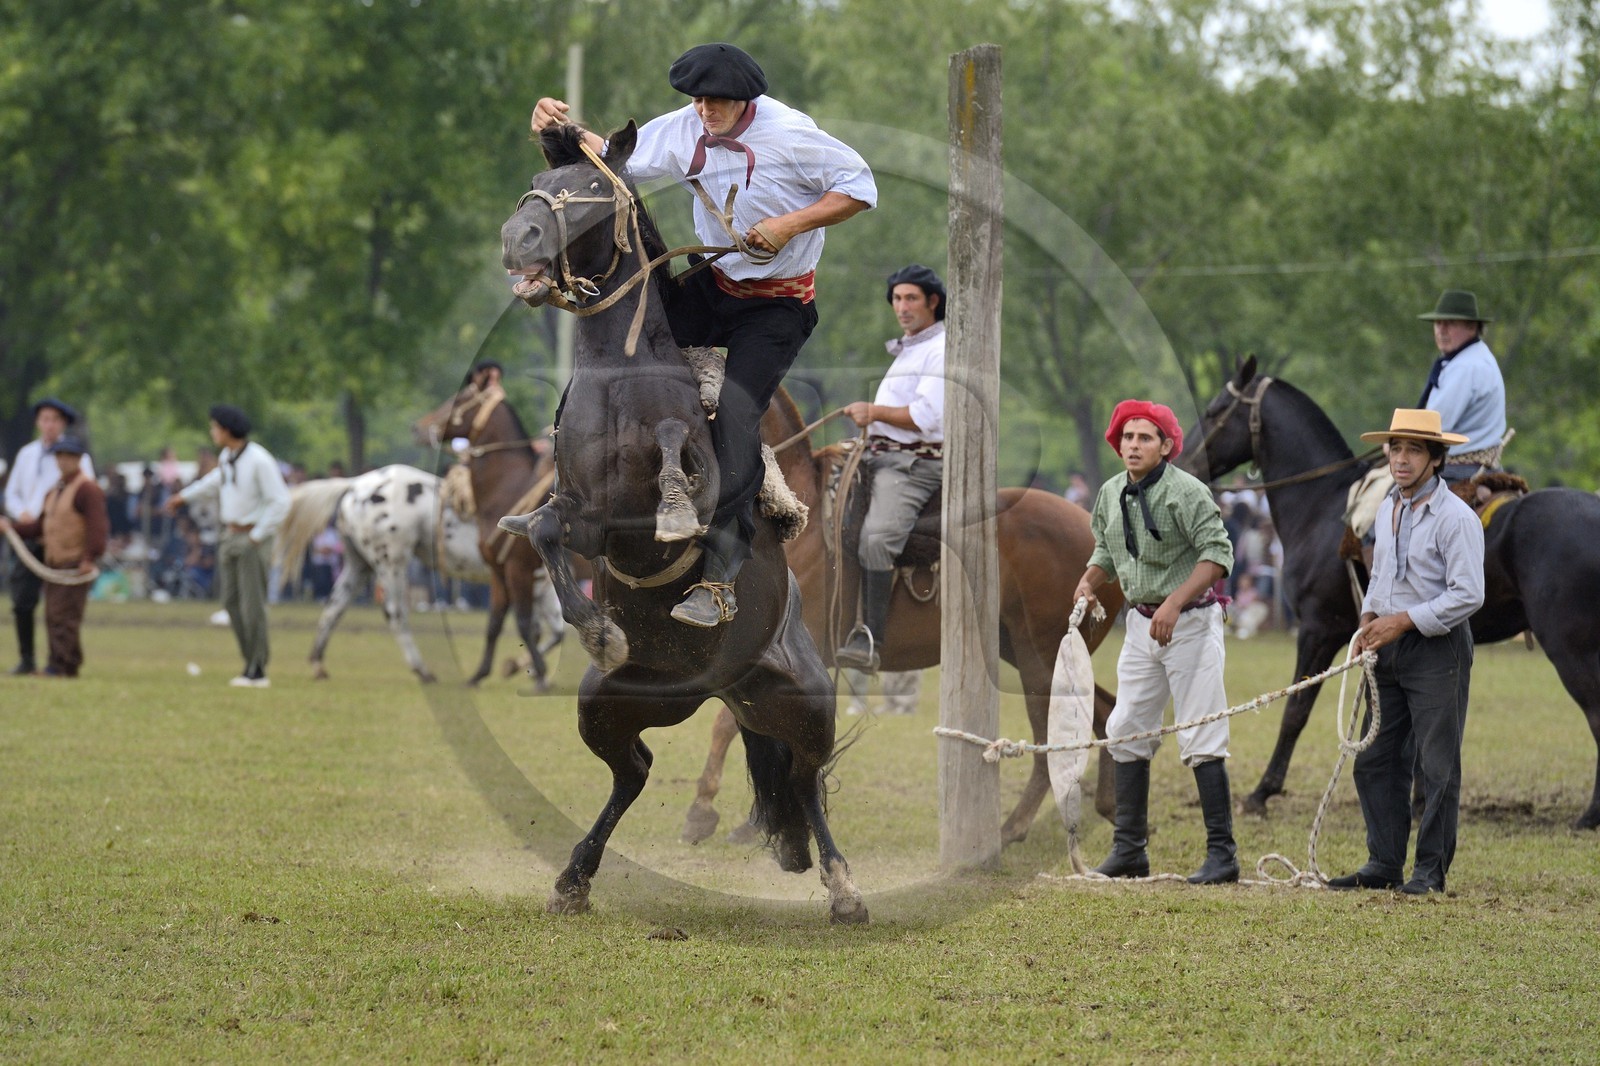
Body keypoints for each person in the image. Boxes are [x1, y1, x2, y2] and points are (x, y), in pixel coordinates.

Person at [529, 42, 877, 627]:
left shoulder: (792, 134)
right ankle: (584, 485)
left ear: (747, 101)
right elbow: (613, 162)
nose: (705, 111)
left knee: (737, 416)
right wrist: (559, 128)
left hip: (777, 308)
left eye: (716, 101)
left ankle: (720, 578)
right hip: (716, 285)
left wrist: (789, 224)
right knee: (622, 337)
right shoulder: (686, 126)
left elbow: (860, 187)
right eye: (697, 100)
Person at [1072, 400, 1239, 885]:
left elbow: (1218, 553)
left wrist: (1173, 603)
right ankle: (1129, 850)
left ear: (1166, 446)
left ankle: (1222, 855)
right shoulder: (1108, 493)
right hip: (1141, 627)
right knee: (1126, 728)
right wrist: (1089, 579)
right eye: (1127, 437)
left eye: (1145, 438)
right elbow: (1106, 546)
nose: (1133, 446)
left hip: (1190, 624)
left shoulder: (1187, 492)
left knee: (1201, 731)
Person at [1329, 409, 1485, 895]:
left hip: (1438, 649)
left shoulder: (1456, 519)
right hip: (1389, 646)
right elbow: (1383, 576)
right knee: (1374, 760)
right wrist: (1369, 619)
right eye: (1396, 448)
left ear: (1436, 460)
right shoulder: (1389, 508)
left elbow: (1468, 594)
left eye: (1414, 449)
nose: (1401, 458)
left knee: (1437, 766)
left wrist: (1402, 621)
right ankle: (1383, 862)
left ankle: (1430, 872)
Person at [835, 264, 946, 672]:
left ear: (933, 302)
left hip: (916, 463)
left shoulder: (942, 347)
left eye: (911, 298)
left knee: (877, 539)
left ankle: (869, 640)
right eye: (897, 299)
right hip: (879, 454)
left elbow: (929, 416)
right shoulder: (912, 346)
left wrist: (873, 410)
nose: (902, 306)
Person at [164, 405, 289, 688]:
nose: (212, 433)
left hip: (251, 537)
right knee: (230, 603)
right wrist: (184, 497)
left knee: (252, 605)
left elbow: (281, 501)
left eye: (214, 427)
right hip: (229, 534)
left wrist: (258, 535)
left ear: (226, 429)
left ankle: (257, 669)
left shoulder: (259, 460)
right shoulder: (228, 457)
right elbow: (215, 481)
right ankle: (249, 662)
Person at [0, 435, 108, 678]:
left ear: (79, 459)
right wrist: (12, 527)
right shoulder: (55, 491)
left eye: (68, 456)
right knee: (54, 614)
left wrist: (89, 558)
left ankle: (63, 666)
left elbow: (97, 527)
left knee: (64, 615)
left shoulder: (87, 489)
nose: (63, 461)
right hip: (56, 561)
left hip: (75, 561)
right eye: (59, 456)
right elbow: (40, 526)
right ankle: (59, 663)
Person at [1416, 289, 1506, 482]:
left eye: (1451, 323)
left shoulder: (1465, 366)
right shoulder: (1476, 357)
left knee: (1396, 501)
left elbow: (1435, 426)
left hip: (1459, 470)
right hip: (1481, 466)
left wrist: (1399, 442)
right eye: (1438, 323)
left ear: (1472, 327)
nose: (1441, 330)